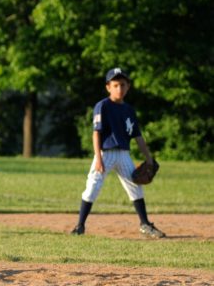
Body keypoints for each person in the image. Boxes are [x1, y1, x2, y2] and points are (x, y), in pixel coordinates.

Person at [71, 68, 165, 238]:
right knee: (92, 187)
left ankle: (145, 224)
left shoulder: (129, 110)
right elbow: (96, 133)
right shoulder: (103, 106)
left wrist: (149, 158)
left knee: (135, 188)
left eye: (123, 85)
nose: (119, 88)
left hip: (123, 154)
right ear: (108, 87)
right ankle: (80, 226)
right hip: (105, 154)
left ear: (128, 86)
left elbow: (137, 136)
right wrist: (98, 158)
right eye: (115, 85)